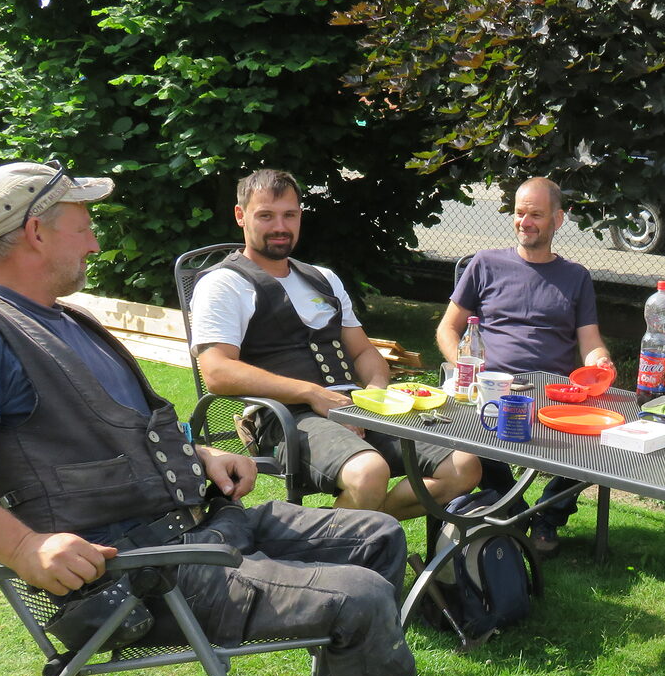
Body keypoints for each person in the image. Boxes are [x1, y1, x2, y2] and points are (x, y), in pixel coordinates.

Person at [0, 160, 497, 676]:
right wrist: (21, 549)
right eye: (83, 225)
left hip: (200, 523)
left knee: (376, 538)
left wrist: (199, 452)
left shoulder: (58, 319)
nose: (94, 241)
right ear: (36, 232)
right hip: (144, 572)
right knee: (360, 596)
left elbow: (117, 433)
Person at [189, 169, 482, 519]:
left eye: (290, 214)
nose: (280, 226)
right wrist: (313, 394)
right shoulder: (223, 284)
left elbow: (363, 351)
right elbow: (217, 371)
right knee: (368, 472)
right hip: (285, 417)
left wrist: (374, 394)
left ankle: (338, 538)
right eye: (265, 215)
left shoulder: (322, 278)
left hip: (356, 407)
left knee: (464, 464)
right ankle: (342, 545)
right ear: (241, 216)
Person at [435, 176, 614, 558]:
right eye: (519, 213)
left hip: (553, 393)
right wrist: (464, 368)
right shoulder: (485, 264)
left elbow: (589, 340)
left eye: (535, 214)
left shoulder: (575, 276)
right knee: (473, 443)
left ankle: (548, 514)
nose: (524, 222)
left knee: (600, 437)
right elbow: (447, 328)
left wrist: (598, 360)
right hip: (493, 388)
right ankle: (512, 511)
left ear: (558, 219)